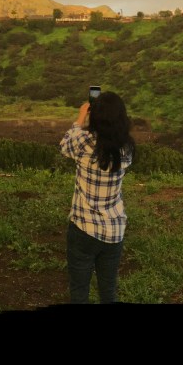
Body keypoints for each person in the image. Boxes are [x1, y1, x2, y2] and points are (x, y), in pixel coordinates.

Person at [60, 90, 135, 304]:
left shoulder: (83, 141)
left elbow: (65, 147)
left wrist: (80, 118)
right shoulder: (127, 147)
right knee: (108, 291)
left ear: (95, 117)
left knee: (79, 291)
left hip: (83, 228)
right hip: (114, 230)